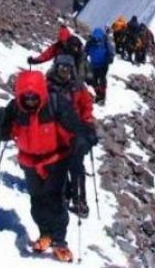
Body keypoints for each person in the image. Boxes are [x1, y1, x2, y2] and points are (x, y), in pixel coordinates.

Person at [0, 70, 94, 263]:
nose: (30, 101)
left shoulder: (56, 105)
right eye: (26, 97)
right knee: (37, 201)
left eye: (34, 97)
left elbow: (72, 128)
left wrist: (81, 139)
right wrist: (2, 127)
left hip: (55, 160)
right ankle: (45, 234)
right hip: (28, 161)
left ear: (41, 92)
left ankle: (59, 242)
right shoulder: (16, 108)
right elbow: (8, 130)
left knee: (55, 201)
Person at [46, 55, 97, 218]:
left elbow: (86, 106)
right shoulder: (47, 86)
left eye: (67, 68)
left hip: (75, 133)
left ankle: (79, 200)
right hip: (54, 133)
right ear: (56, 68)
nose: (64, 71)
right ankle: (66, 193)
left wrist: (88, 125)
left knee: (76, 167)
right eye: (61, 67)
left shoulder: (78, 87)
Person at [84, 27, 115, 105]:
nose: (97, 41)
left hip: (98, 64)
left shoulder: (94, 40)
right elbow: (110, 51)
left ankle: (99, 96)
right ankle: (100, 96)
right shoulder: (102, 40)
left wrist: (84, 57)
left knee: (97, 80)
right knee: (98, 81)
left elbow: (85, 51)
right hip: (99, 64)